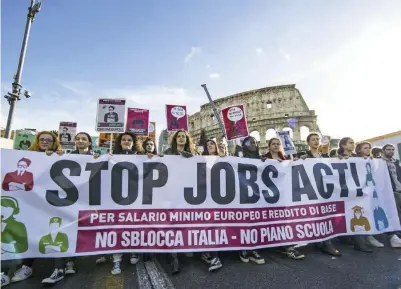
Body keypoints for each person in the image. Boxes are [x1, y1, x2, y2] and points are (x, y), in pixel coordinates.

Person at [1, 131, 62, 286]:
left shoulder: (58, 157)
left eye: (49, 140)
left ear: (54, 142)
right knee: (18, 236)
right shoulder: (24, 156)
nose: (45, 142)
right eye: (42, 139)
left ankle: (29, 267)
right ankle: (6, 272)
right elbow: (8, 184)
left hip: (46, 204)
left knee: (43, 233)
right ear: (37, 141)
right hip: (25, 205)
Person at [41, 132, 100, 285]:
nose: (80, 141)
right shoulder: (65, 156)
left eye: (84, 139)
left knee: (78, 232)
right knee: (63, 230)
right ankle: (59, 269)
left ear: (89, 143)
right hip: (68, 203)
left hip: (88, 202)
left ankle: (70, 262)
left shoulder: (97, 156)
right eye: (78, 138)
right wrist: (51, 156)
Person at [261, 138, 305, 260]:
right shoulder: (263, 158)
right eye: (273, 144)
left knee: (286, 220)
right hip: (269, 195)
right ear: (268, 146)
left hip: (284, 195)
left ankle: (288, 246)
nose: (276, 146)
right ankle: (279, 244)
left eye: (278, 144)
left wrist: (295, 162)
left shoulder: (286, 158)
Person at [299, 133, 341, 256]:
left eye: (317, 139)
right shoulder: (303, 156)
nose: (316, 141)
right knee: (317, 216)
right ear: (308, 142)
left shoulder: (325, 155)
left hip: (326, 190)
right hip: (312, 190)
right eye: (313, 140)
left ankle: (325, 242)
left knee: (326, 215)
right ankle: (324, 243)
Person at [108, 132, 142, 275]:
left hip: (135, 197)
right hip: (116, 198)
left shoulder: (141, 156)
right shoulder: (111, 155)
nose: (127, 141)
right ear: (119, 142)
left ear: (133, 142)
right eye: (124, 139)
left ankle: (133, 251)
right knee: (117, 227)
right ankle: (117, 259)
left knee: (133, 226)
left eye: (129, 140)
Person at [163, 130, 196, 274]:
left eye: (184, 136)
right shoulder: (167, 152)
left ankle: (185, 247)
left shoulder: (193, 154)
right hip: (171, 191)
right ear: (175, 139)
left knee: (186, 221)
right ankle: (173, 256)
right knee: (172, 222)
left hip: (188, 193)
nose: (181, 138)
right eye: (179, 136)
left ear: (187, 140)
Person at [233, 136, 266, 264]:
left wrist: (265, 162)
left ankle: (254, 248)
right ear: (244, 144)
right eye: (248, 142)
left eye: (254, 142)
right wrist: (235, 155)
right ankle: (243, 248)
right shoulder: (238, 156)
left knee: (256, 222)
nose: (252, 144)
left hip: (258, 196)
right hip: (242, 195)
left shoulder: (261, 159)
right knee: (243, 221)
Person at [336, 137, 373, 253]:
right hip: (344, 190)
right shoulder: (336, 158)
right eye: (350, 143)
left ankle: (359, 242)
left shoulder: (357, 158)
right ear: (343, 145)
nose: (353, 145)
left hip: (356, 191)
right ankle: (350, 240)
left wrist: (368, 160)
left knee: (356, 214)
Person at [354, 141, 385, 248]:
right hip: (359, 191)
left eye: (369, 148)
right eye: (365, 148)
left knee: (371, 211)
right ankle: (367, 237)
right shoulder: (354, 160)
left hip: (371, 189)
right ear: (359, 150)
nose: (368, 150)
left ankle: (371, 235)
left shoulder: (372, 161)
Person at [199, 139, 224, 272]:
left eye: (212, 144)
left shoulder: (224, 159)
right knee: (209, 225)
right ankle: (212, 255)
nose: (210, 146)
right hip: (206, 197)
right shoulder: (201, 160)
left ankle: (214, 255)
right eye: (207, 145)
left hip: (222, 197)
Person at [1, 197, 28, 287]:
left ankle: (24, 268)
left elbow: (24, 245)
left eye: (7, 207)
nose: (3, 210)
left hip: (14, 254)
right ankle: (3, 273)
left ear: (14, 210)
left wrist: (5, 246)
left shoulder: (19, 225)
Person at [381, 144, 401, 248]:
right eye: (388, 149)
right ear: (383, 150)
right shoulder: (379, 161)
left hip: (399, 189)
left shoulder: (396, 161)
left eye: (393, 149)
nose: (391, 151)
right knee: (394, 213)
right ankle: (394, 236)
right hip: (390, 191)